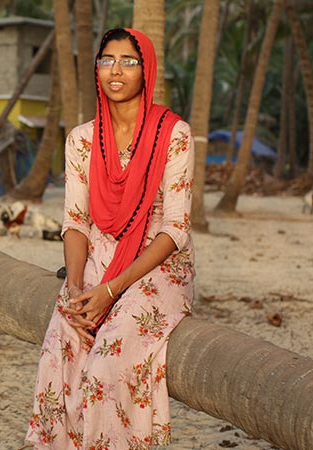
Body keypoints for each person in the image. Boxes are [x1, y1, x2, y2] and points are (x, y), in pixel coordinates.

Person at [25, 28, 195, 450]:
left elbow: (175, 226)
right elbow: (76, 221)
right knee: (60, 348)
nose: (115, 71)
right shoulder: (81, 140)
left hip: (157, 265)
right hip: (98, 255)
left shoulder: (172, 134)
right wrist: (77, 288)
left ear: (146, 70)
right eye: (106, 60)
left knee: (106, 362)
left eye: (128, 61)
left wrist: (112, 290)